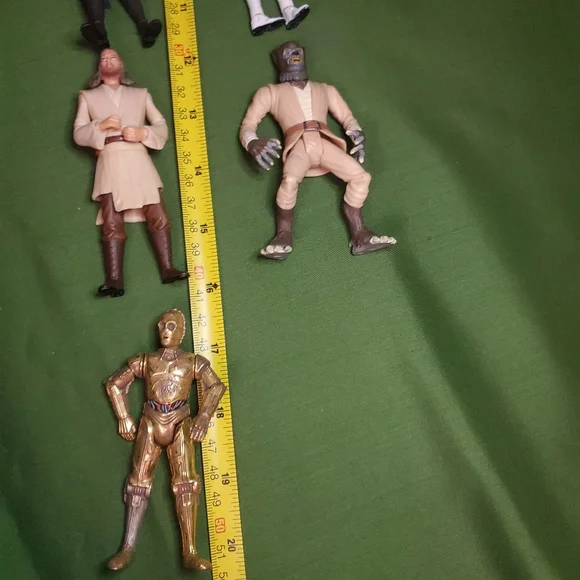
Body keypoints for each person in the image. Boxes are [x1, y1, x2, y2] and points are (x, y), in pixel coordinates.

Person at [239, 41, 397, 259]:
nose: (294, 54)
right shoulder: (270, 93)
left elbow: (347, 118)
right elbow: (248, 125)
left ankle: (359, 233)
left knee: (361, 177)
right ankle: (283, 234)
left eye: (298, 51)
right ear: (279, 60)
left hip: (325, 143)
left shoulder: (326, 89)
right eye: (288, 52)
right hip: (298, 146)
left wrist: (356, 133)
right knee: (289, 181)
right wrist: (252, 142)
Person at [103, 309, 227, 571]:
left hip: (180, 422)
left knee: (186, 484)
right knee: (137, 483)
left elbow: (216, 386)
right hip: (150, 421)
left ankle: (190, 551)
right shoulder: (146, 360)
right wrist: (123, 417)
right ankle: (127, 547)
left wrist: (203, 417)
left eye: (171, 326)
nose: (164, 330)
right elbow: (114, 383)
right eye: (161, 325)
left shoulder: (193, 362)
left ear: (181, 331)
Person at [73, 49, 188, 297]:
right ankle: (114, 280)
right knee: (111, 219)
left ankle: (168, 268)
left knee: (157, 212)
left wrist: (143, 133)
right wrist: (100, 126)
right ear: (98, 67)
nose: (108, 60)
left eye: (113, 57)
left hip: (138, 157)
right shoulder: (88, 97)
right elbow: (79, 132)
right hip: (110, 159)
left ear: (122, 63)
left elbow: (161, 125)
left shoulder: (140, 95)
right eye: (103, 58)